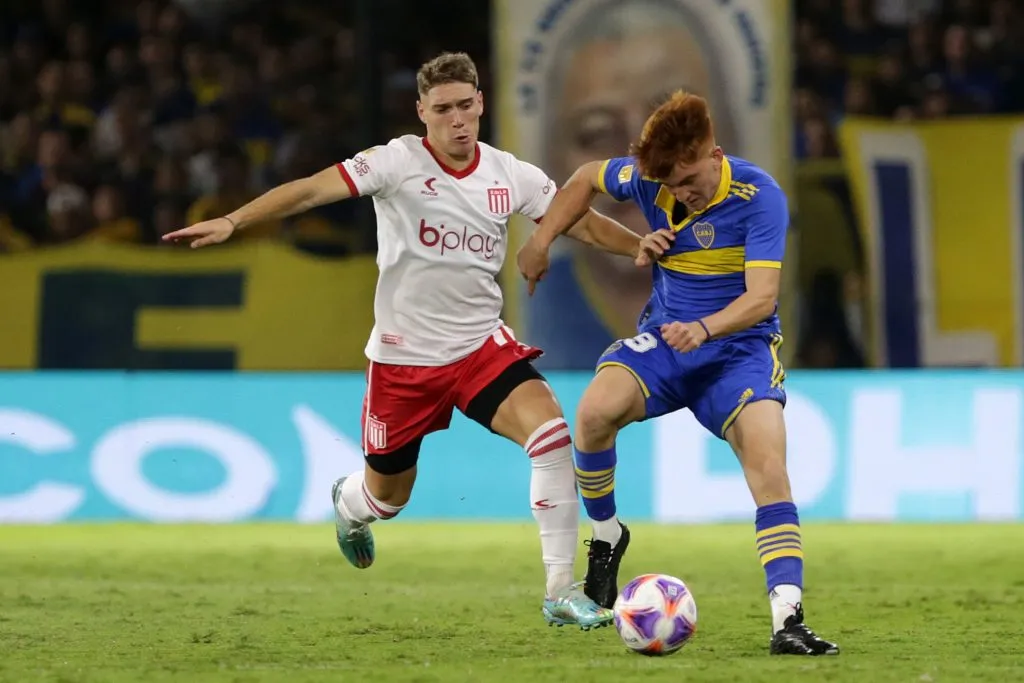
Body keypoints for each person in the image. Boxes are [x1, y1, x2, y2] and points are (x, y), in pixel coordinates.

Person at [162, 52, 645, 630]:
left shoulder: (509, 174)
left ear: (480, 103)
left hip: (480, 350)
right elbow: (311, 191)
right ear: (422, 112)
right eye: (442, 109)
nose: (456, 120)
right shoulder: (395, 162)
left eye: (464, 106)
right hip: (404, 361)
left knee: (551, 436)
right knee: (386, 500)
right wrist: (234, 221)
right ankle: (349, 505)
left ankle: (560, 590)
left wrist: (643, 248)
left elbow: (580, 222)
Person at [517, 91, 840, 655]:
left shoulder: (760, 196)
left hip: (737, 350)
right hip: (667, 342)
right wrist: (541, 241)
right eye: (669, 184)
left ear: (713, 153)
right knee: (592, 414)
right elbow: (586, 177)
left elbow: (762, 298)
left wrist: (706, 328)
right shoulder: (651, 178)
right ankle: (607, 537)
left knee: (769, 466)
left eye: (688, 180)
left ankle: (787, 620)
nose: (680, 192)